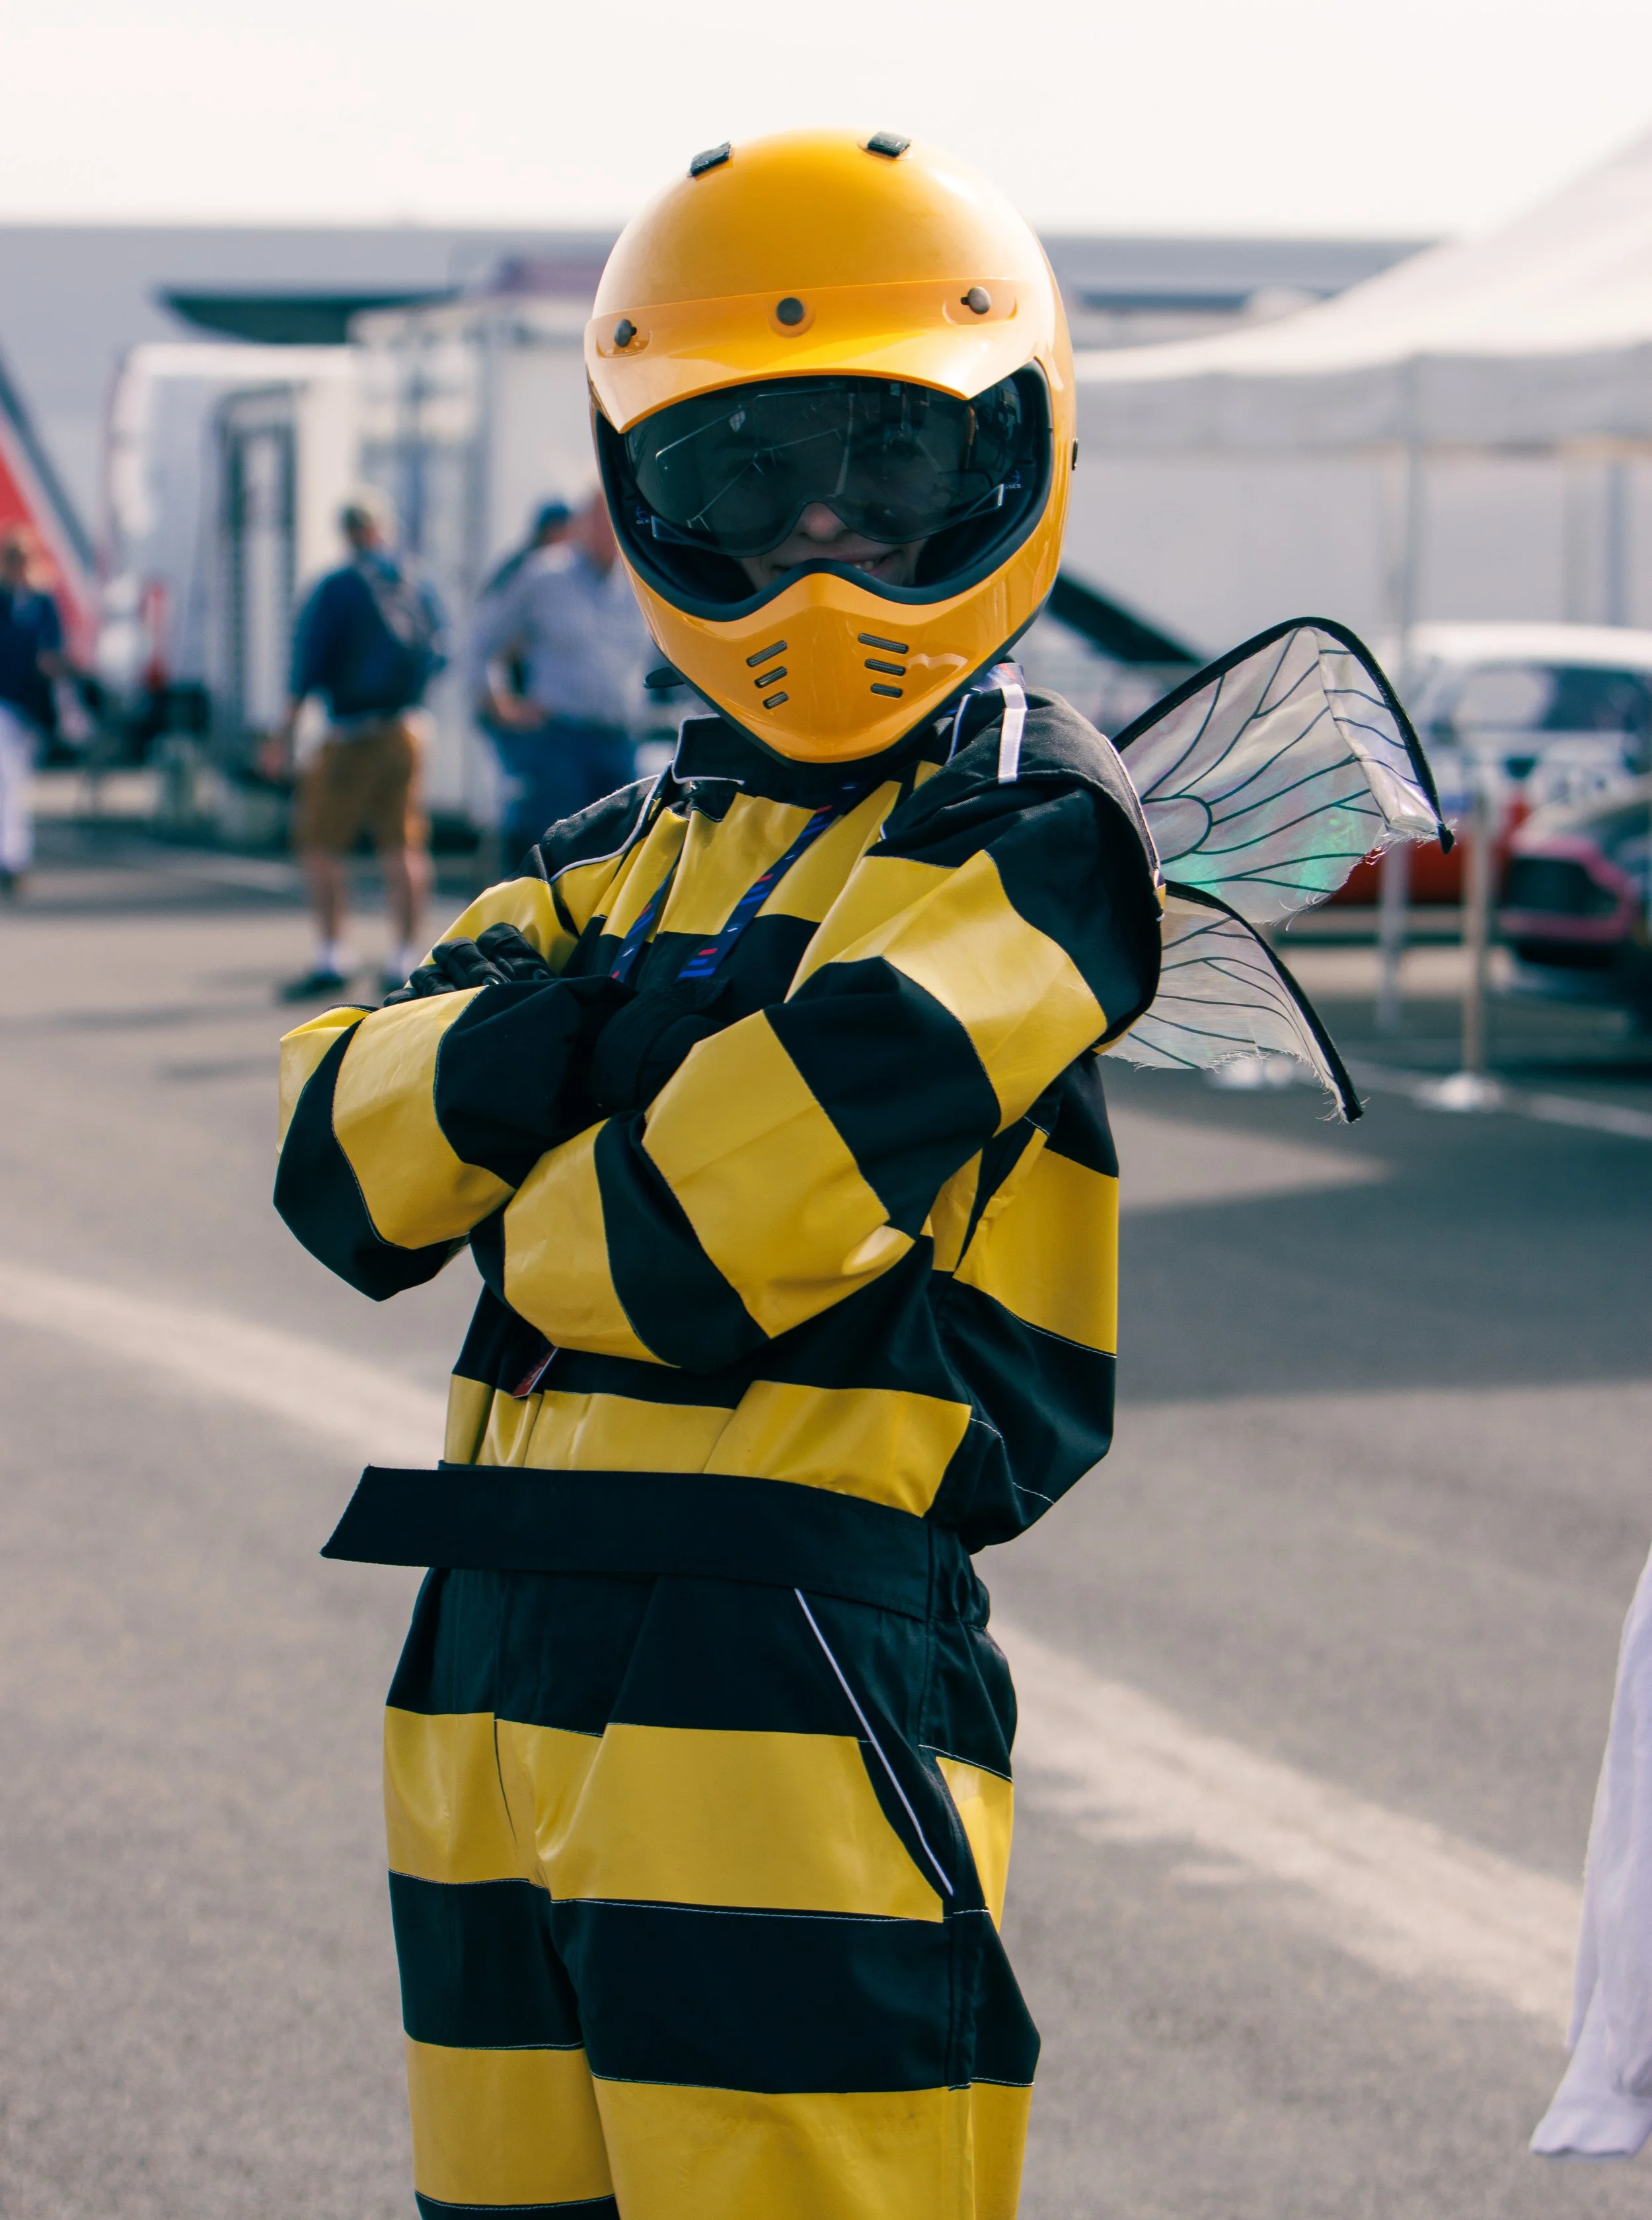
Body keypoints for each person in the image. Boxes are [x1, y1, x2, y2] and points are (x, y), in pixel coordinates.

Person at [276, 131, 1165, 2220]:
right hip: (486, 1645)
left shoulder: (1037, 846)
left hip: (784, 1667)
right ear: (641, 488)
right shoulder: (615, 845)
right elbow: (329, 1169)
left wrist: (512, 1092)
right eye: (744, 477)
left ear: (1018, 453)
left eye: (887, 462)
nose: (818, 542)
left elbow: (658, 1251)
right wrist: (612, 1048)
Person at [268, 488, 443, 1001]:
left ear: (345, 532)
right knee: (404, 845)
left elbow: (306, 667)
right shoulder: (415, 582)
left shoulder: (336, 588)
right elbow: (442, 650)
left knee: (322, 844)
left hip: (350, 733)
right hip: (406, 729)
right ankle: (405, 956)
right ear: (382, 528)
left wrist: (283, 737)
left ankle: (331, 953)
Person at [468, 488, 652, 866]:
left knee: (622, 861)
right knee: (555, 861)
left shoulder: (639, 581)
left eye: (614, 518)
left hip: (621, 743)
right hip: (560, 743)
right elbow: (482, 643)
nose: (607, 529)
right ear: (582, 524)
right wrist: (500, 705)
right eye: (598, 519)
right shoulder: (544, 575)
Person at [0, 525, 65, 899]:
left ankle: (13, 856)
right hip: (4, 700)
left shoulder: (44, 604)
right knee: (8, 779)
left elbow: (53, 651)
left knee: (17, 782)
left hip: (32, 706)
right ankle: (13, 858)